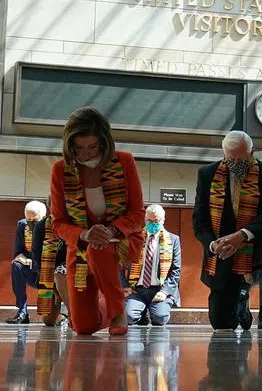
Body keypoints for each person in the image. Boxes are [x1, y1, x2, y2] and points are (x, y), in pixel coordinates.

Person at [49, 106, 145, 336]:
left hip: (123, 239)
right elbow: (58, 222)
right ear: (70, 145)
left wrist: (111, 231)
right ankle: (106, 305)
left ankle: (117, 312)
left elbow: (138, 214)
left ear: (103, 142)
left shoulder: (124, 161)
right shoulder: (60, 169)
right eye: (79, 148)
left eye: (92, 146)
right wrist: (83, 234)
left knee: (99, 249)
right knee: (83, 326)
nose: (86, 154)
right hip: (81, 244)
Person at [193, 130, 262, 333]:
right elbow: (199, 222)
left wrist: (242, 235)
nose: (236, 164)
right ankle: (242, 304)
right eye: (231, 159)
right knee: (221, 323)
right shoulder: (207, 174)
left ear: (252, 151)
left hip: (257, 247)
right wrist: (213, 244)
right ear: (223, 154)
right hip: (225, 251)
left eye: (242, 159)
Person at [124, 204, 182, 327]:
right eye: (149, 221)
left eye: (156, 221)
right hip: (137, 289)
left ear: (163, 220)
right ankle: (142, 312)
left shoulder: (173, 240)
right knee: (129, 316)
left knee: (160, 318)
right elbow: (120, 264)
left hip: (159, 290)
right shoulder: (134, 238)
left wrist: (165, 291)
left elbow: (176, 270)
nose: (152, 224)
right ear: (145, 220)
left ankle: (156, 309)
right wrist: (125, 286)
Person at [8, 200, 46, 324]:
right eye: (28, 220)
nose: (30, 224)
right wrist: (23, 259)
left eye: (34, 221)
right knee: (16, 266)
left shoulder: (51, 226)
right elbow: (17, 252)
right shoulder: (22, 225)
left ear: (43, 217)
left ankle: (60, 313)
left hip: (47, 269)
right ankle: (22, 311)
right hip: (31, 269)